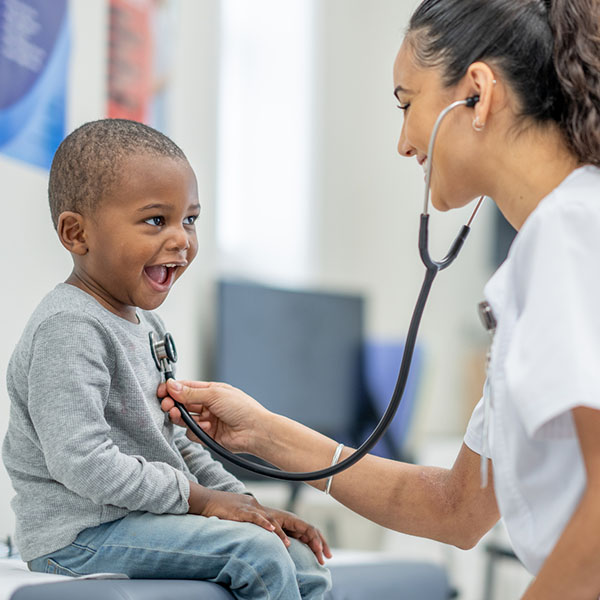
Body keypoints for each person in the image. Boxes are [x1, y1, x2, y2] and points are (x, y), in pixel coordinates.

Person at [160, 0, 600, 597]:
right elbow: (457, 509)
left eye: (407, 102)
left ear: (477, 94)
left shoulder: (572, 231)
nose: (403, 141)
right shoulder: (549, 244)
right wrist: (264, 434)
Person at [1, 119, 331, 600]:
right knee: (255, 554)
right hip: (78, 539)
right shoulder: (69, 328)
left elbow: (178, 442)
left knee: (296, 555)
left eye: (190, 220)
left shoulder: (147, 326)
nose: (182, 239)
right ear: (76, 233)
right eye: (157, 220)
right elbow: (83, 463)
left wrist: (245, 504)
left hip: (141, 520)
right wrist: (202, 501)